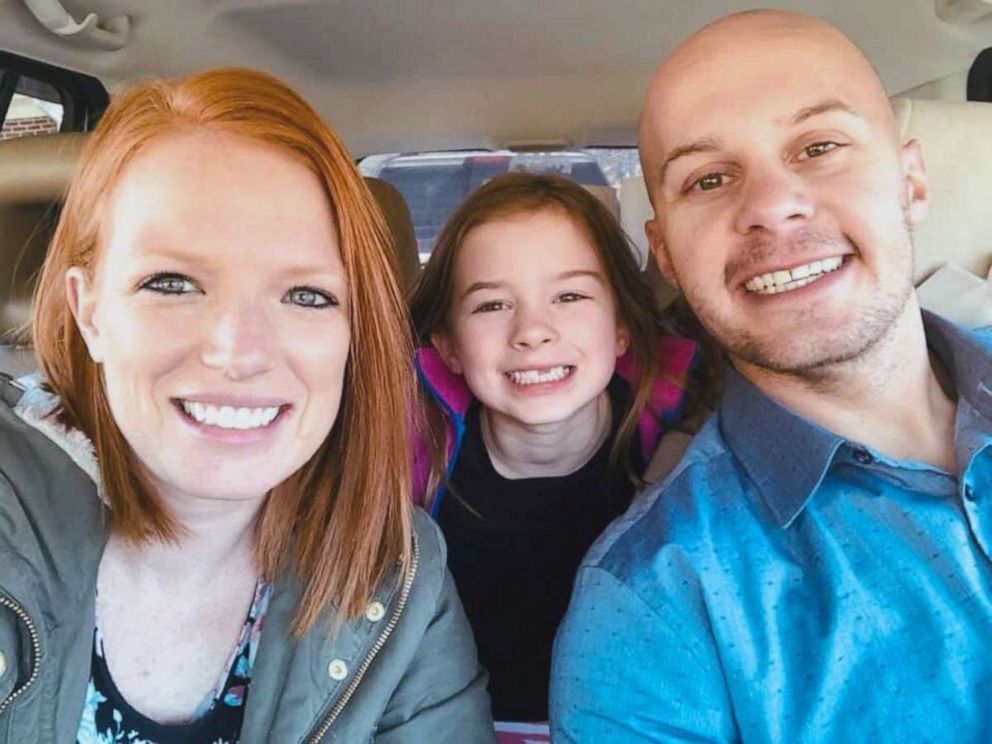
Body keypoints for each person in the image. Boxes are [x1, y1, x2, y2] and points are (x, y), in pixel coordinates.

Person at [0, 68, 495, 743]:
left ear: (354, 333)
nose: (239, 353)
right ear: (90, 313)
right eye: (171, 283)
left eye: (306, 295)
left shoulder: (398, 577)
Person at [551, 9, 992, 743]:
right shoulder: (651, 609)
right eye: (709, 179)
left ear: (911, 181)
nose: (770, 207)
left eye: (819, 147)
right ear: (664, 251)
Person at [409, 172, 701, 740]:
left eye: (569, 296)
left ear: (620, 327)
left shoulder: (689, 456)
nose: (533, 332)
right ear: (448, 345)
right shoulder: (405, 466)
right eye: (492, 304)